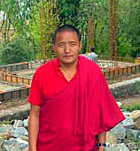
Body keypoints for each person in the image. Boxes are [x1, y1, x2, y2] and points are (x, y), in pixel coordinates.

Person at [28, 25, 125, 151]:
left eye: (72, 44)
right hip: (48, 146)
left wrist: (101, 146)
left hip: (85, 147)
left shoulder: (92, 72)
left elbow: (100, 112)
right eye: (61, 45)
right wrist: (32, 148)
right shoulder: (42, 74)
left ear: (79, 45)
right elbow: (34, 114)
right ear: (54, 47)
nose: (67, 50)